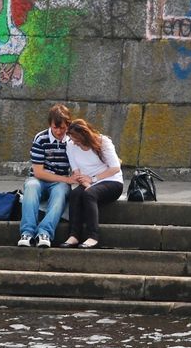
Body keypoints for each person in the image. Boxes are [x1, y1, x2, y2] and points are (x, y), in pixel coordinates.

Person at [18, 103, 77, 248]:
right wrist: (67, 179)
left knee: (60, 191)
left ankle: (44, 232)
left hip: (60, 183)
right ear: (50, 125)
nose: (58, 131)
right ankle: (27, 232)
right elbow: (38, 172)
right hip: (39, 179)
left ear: (68, 125)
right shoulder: (41, 138)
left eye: (62, 128)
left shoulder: (72, 140)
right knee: (31, 186)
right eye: (55, 127)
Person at [60, 119, 123, 249]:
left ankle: (93, 236)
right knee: (75, 194)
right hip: (87, 181)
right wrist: (81, 180)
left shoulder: (103, 142)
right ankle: (74, 235)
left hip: (111, 181)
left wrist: (93, 180)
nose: (74, 143)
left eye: (77, 140)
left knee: (89, 194)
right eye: (72, 140)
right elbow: (75, 168)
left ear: (85, 136)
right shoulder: (70, 145)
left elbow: (115, 167)